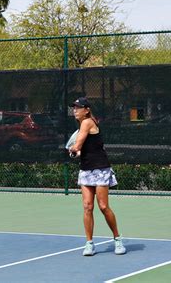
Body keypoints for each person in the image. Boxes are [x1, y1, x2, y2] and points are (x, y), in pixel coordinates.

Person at [68, 97, 126, 256]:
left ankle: (117, 239)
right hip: (86, 169)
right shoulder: (82, 125)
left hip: (100, 168)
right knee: (87, 206)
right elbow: (83, 149)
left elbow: (78, 145)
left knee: (103, 206)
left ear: (86, 110)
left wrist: (73, 149)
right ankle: (89, 243)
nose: (75, 110)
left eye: (78, 107)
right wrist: (76, 152)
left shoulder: (87, 122)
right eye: (74, 107)